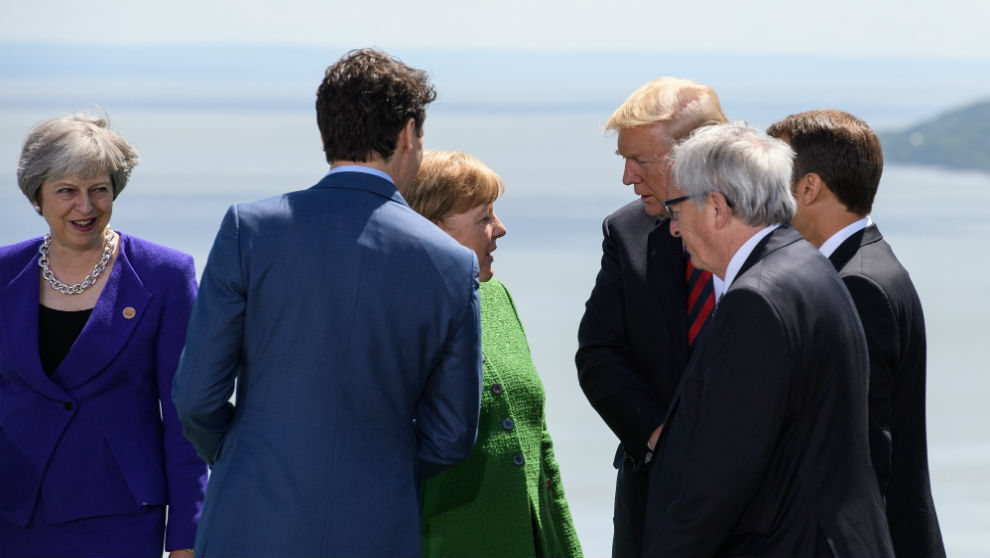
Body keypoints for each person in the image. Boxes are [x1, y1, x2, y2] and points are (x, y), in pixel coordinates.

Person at [171, 49, 483, 557]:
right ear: (408, 134)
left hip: (249, 520)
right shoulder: (451, 264)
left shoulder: (249, 230)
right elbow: (450, 435)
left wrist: (240, 454)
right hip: (377, 528)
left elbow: (196, 398)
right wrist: (377, 467)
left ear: (324, 134)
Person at [643, 121, 894, 556]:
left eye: (677, 211)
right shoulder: (807, 266)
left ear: (717, 208)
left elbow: (720, 476)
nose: (673, 229)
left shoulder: (756, 300)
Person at [0, 114, 206, 557]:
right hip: (14, 515)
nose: (86, 206)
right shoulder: (2, 274)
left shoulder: (165, 275)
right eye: (67, 191)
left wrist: (187, 539)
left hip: (121, 519)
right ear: (38, 197)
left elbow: (184, 414)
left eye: (99, 189)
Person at [767, 109, 945, 557]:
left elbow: (862, 450)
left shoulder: (855, 285)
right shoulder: (868, 265)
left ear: (808, 188)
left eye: (772, 179)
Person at [574, 76, 728, 556]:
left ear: (697, 156)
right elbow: (599, 354)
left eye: (640, 160)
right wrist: (661, 438)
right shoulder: (628, 231)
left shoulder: (774, 230)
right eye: (624, 159)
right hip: (653, 503)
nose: (627, 177)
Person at [406, 150, 583, 558]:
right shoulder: (398, 316)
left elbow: (538, 442)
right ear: (434, 230)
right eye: (484, 218)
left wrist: (566, 547)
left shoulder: (496, 297)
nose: (500, 229)